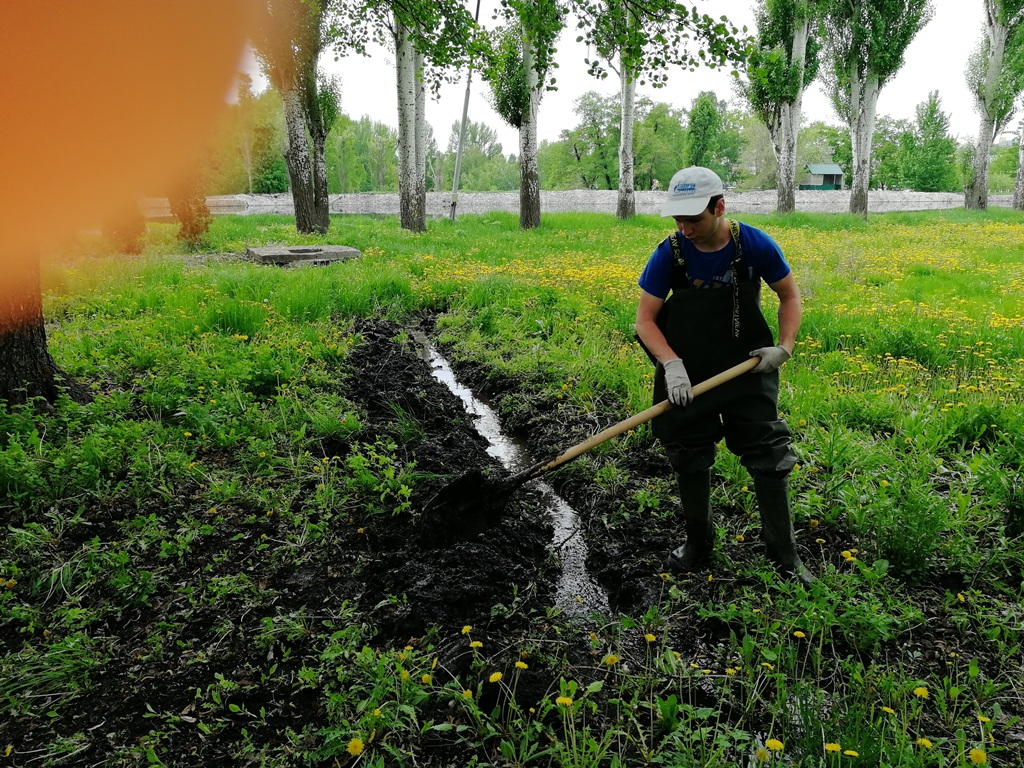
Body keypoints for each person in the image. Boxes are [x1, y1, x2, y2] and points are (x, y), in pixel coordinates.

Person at [635, 166, 812, 583]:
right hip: (689, 373)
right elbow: (645, 320)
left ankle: (785, 556)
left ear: (719, 207)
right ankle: (698, 545)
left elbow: (789, 295)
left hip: (746, 367)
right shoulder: (670, 253)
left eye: (693, 218)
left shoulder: (752, 244)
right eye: (678, 219)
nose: (685, 228)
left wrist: (783, 347)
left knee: (769, 457)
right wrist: (672, 365)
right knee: (689, 456)